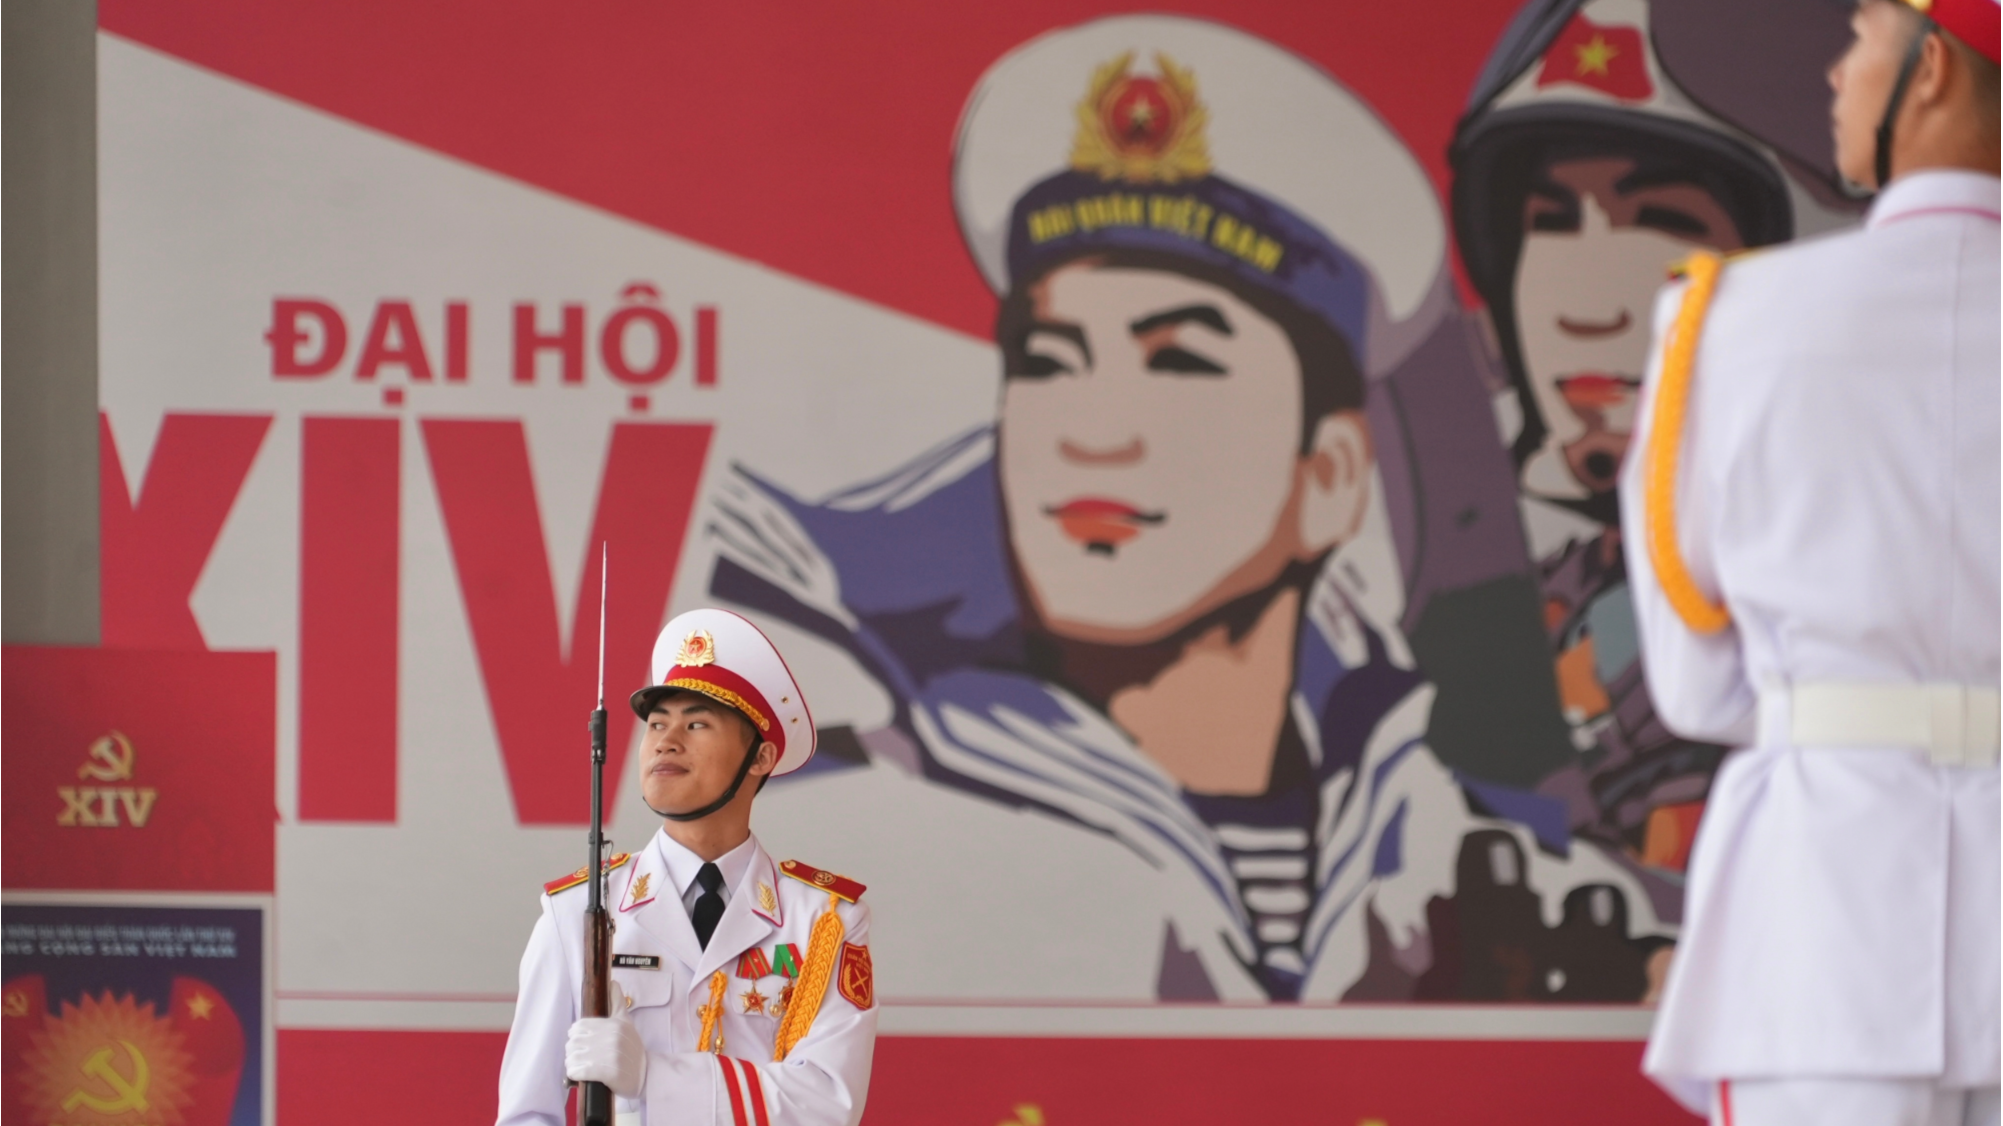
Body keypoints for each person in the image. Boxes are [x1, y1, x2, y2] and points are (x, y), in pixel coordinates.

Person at [708, 14, 1668, 1004]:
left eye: (1178, 362)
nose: (1090, 433)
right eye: (1049, 361)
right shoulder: (835, 837)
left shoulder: (1443, 855)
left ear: (1331, 475)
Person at [1621, 0, 2001, 1119]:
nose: (1836, 72)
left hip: (1824, 916)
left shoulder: (1731, 318)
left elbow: (1697, 686)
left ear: (1930, 68)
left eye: (1863, 36)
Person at [1450, 0, 1865, 888]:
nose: (1584, 308)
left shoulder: (1875, 585)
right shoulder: (1479, 586)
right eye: (1548, 222)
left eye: (1664, 220)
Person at [496, 608, 876, 1126]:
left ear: (761, 757)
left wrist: (653, 1076)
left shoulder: (823, 920)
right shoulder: (575, 913)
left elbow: (828, 1103)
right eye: (657, 723)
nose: (666, 740)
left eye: (696, 724)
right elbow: (527, 1113)